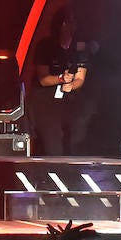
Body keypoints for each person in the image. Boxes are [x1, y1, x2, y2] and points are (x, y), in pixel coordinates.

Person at [26, 8, 95, 156]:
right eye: (63, 23)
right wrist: (60, 79)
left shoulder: (79, 48)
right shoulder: (45, 46)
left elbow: (80, 78)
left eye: (69, 23)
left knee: (75, 134)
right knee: (53, 143)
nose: (66, 26)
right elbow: (43, 79)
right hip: (45, 98)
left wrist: (71, 85)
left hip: (68, 98)